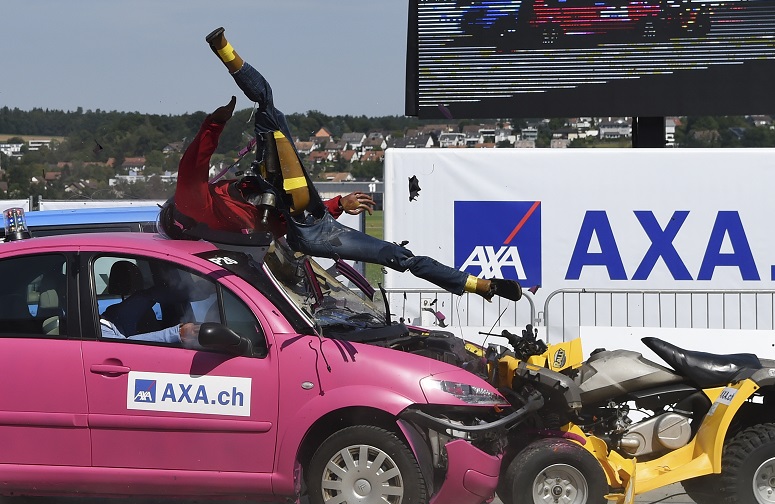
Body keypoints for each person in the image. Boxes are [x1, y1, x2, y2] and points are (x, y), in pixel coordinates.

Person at [161, 27, 522, 303]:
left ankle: (479, 285)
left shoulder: (216, 221)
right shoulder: (192, 207)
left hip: (309, 218)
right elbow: (192, 167)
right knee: (267, 102)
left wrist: (338, 206)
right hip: (307, 222)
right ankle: (222, 49)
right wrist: (214, 124)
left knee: (398, 256)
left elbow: (281, 223)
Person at [100, 317, 200, 344]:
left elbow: (146, 297)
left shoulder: (110, 316)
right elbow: (121, 347)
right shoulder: (97, 329)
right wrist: (178, 333)